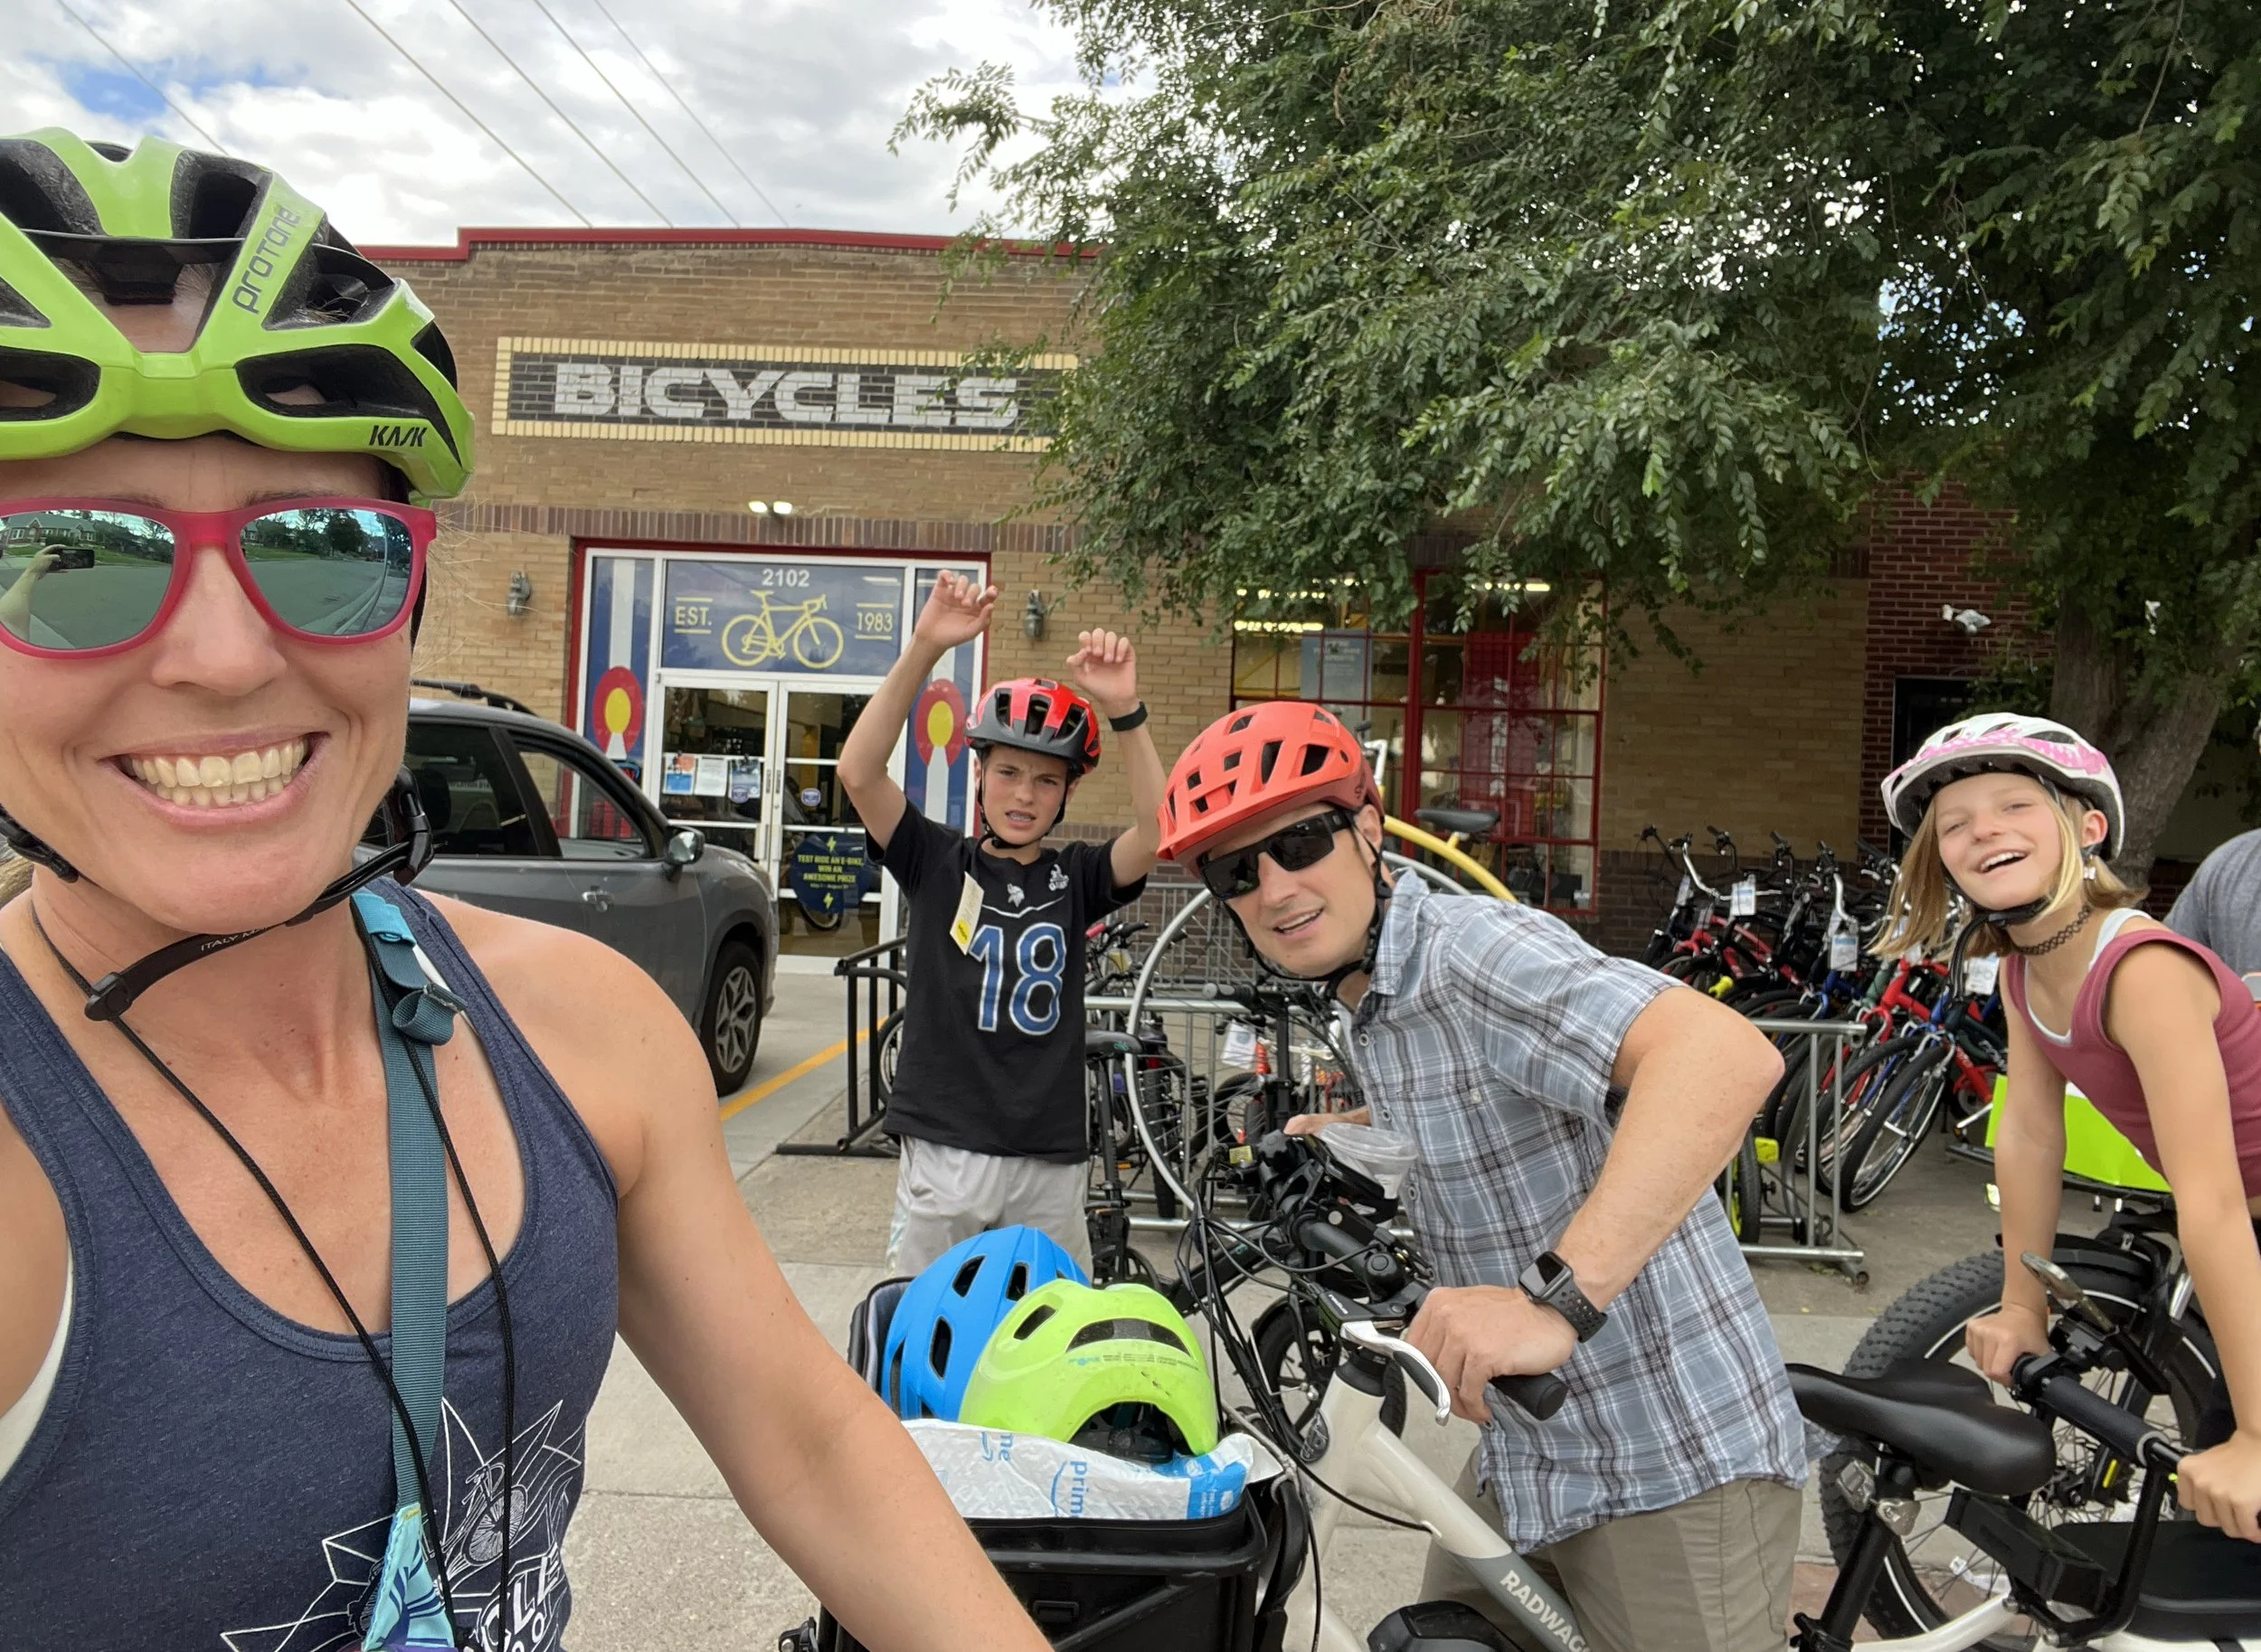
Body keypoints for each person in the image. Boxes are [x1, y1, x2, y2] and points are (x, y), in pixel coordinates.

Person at [0, 128, 1052, 1651]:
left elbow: (818, 1449)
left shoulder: (584, 1029)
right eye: (75, 560)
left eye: (323, 546)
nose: (226, 656)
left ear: (407, 595)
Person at [1154, 701, 1806, 1652]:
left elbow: (1721, 1056)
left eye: (1299, 842)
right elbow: (1506, 1089)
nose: (1275, 887)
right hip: (1532, 1448)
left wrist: (1552, 1303)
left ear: (1366, 829)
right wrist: (1354, 1134)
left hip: (1667, 1450)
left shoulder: (1468, 953)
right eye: (1236, 871)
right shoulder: (1374, 999)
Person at [1880, 712, 2261, 1543]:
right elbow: (2027, 1135)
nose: (1984, 829)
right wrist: (2022, 1306)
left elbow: (2214, 1201)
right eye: (1955, 822)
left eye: (2014, 804)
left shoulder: (2143, 968)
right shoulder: (2026, 971)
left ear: (2087, 827)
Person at [838, 572, 1163, 1275]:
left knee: (1051, 1333)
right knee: (927, 1325)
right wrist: (925, 647)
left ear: (1068, 792)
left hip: (1047, 1151)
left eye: (1048, 780)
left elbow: (1158, 830)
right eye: (1009, 771)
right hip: (945, 1141)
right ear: (978, 772)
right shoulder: (934, 859)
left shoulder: (1076, 876)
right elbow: (860, 771)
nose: (1025, 793)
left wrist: (1128, 712)